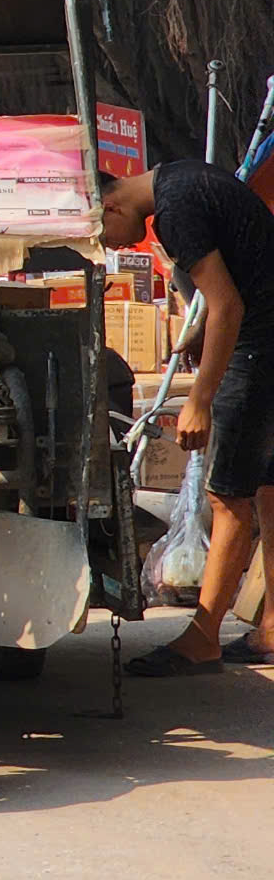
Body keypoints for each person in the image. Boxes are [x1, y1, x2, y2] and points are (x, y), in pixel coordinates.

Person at [101, 161, 274, 672]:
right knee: (265, 486)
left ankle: (203, 638)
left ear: (110, 205)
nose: (112, 246)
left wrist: (199, 398)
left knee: (228, 496)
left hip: (258, 345)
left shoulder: (175, 210)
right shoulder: (181, 179)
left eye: (102, 234)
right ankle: (269, 629)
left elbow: (226, 307)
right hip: (265, 335)